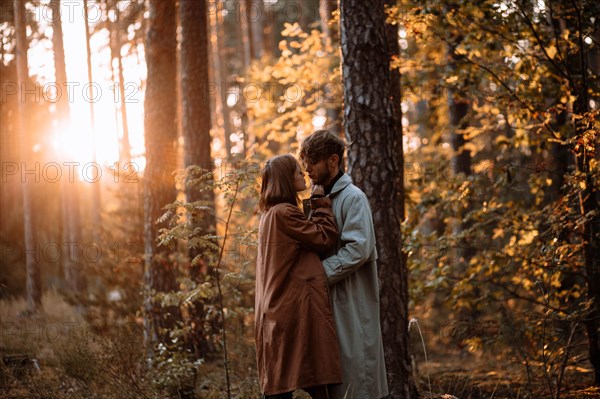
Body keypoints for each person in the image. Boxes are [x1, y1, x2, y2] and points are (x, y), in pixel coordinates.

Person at [300, 130, 389, 399]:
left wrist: (317, 276)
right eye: (304, 162)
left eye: (311, 162)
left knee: (356, 380)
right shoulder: (317, 200)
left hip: (352, 304)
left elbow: (358, 249)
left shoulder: (353, 198)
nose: (306, 169)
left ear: (333, 160)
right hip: (325, 304)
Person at [255, 154, 343, 399]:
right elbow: (324, 237)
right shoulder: (285, 213)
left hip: (279, 310)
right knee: (294, 384)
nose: (303, 175)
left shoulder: (270, 214)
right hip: (290, 313)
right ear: (286, 180)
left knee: (285, 384)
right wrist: (319, 201)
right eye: (297, 172)